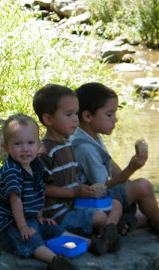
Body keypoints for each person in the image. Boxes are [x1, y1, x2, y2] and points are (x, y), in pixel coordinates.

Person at [71, 82, 159, 237]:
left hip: (95, 199)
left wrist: (127, 182)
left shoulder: (89, 134)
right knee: (143, 187)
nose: (115, 120)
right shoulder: (84, 148)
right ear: (87, 116)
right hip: (89, 201)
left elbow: (109, 163)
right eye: (109, 115)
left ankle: (126, 223)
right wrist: (132, 169)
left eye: (115, 114)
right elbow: (102, 187)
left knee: (142, 214)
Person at [0, 113, 87, 270]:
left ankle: (90, 243)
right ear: (6, 148)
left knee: (51, 228)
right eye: (18, 144)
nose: (25, 149)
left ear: (39, 145)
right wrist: (23, 227)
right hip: (6, 222)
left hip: (27, 217)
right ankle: (56, 261)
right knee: (28, 239)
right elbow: (15, 200)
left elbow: (40, 190)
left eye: (30, 143)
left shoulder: (36, 165)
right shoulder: (12, 170)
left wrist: (39, 216)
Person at [32, 84, 122, 255]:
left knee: (116, 204)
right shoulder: (45, 152)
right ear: (48, 119)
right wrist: (74, 193)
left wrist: (81, 188)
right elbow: (41, 189)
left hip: (73, 204)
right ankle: (101, 236)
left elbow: (71, 177)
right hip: (58, 213)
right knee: (100, 217)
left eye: (76, 113)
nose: (75, 119)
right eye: (68, 114)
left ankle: (106, 235)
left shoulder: (67, 144)